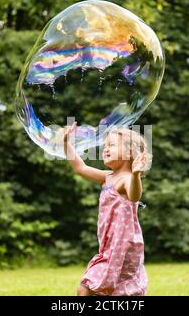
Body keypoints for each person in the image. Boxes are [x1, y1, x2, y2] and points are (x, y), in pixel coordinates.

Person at [63, 122, 151, 296]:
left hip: (124, 248)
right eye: (105, 145)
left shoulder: (126, 179)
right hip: (109, 247)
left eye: (111, 145)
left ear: (129, 152)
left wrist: (135, 175)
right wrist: (66, 143)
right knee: (109, 291)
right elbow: (81, 168)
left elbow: (134, 196)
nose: (105, 149)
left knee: (87, 288)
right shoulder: (107, 177)